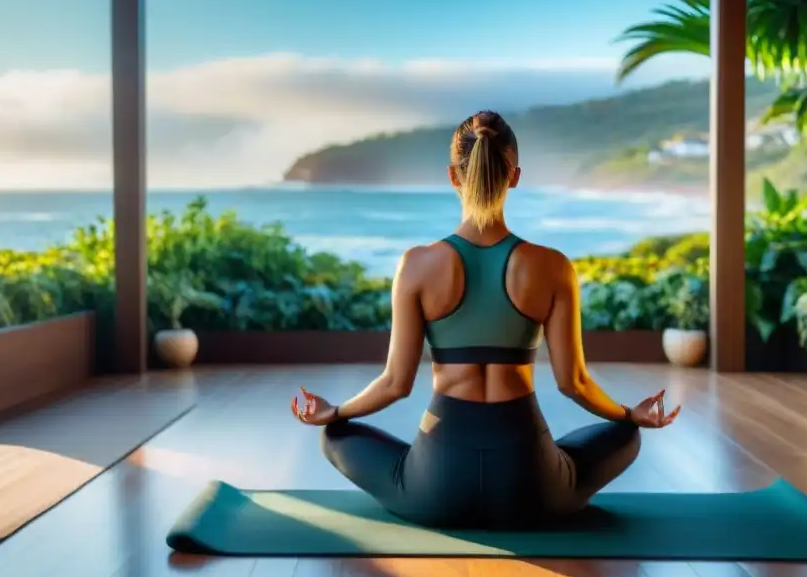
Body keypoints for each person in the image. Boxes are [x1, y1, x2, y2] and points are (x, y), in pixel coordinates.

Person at [290, 110, 680, 530]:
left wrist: (335, 411)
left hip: (435, 488)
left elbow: (395, 384)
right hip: (531, 488)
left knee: (335, 435)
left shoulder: (417, 265)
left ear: (453, 176)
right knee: (625, 435)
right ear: (514, 175)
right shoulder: (552, 266)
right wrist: (627, 414)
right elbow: (574, 384)